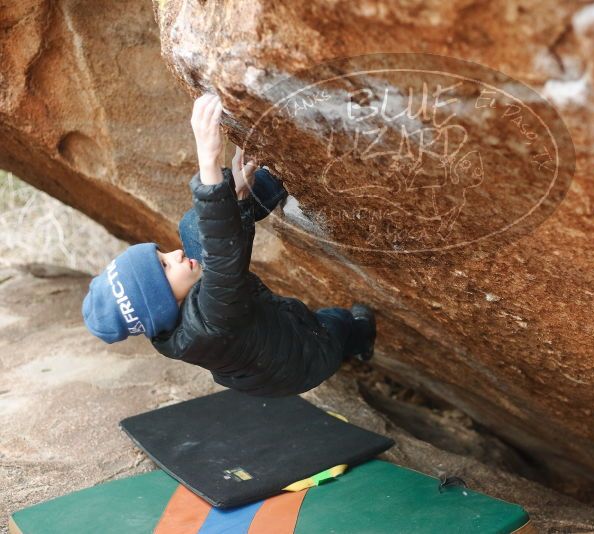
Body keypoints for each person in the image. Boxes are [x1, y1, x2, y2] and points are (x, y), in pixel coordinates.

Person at [81, 93, 376, 397]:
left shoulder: (167, 321)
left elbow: (221, 255)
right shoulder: (209, 323)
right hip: (302, 361)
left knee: (193, 228)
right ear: (163, 303)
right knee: (338, 322)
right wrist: (208, 163)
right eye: (165, 265)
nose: (175, 253)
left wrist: (235, 194)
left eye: (162, 253)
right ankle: (360, 339)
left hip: (262, 343)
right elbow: (223, 260)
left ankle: (266, 183)